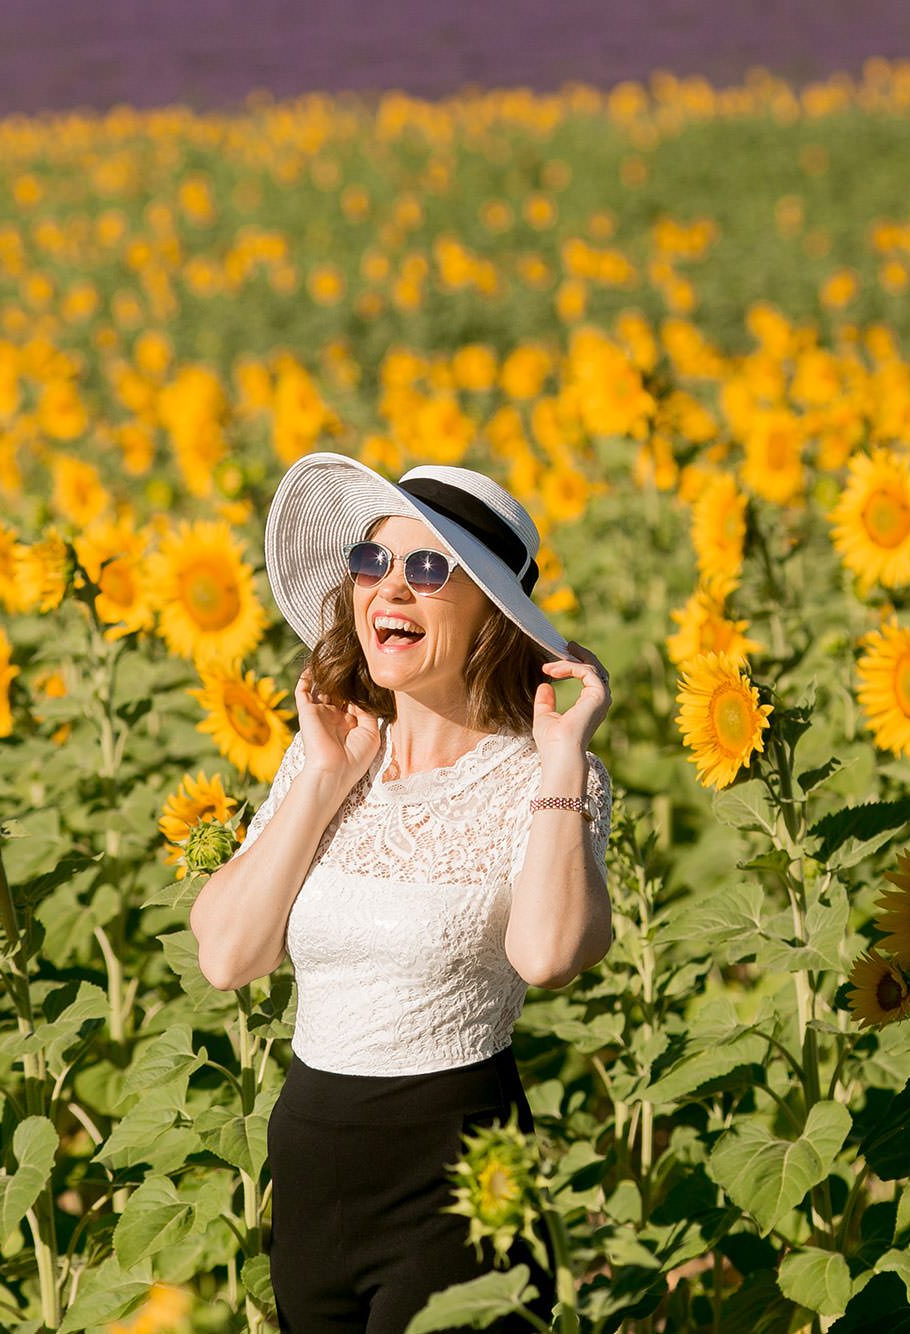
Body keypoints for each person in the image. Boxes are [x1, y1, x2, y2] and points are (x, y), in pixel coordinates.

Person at [189, 451, 614, 1332]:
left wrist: (564, 759)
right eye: (373, 562)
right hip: (309, 1174)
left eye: (429, 570)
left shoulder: (540, 777)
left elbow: (546, 955)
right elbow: (228, 956)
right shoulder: (326, 757)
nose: (391, 589)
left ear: (491, 614)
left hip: (458, 1180)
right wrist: (319, 781)